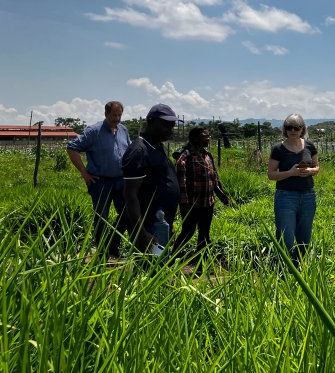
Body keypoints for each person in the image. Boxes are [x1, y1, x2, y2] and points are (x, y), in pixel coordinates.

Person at [67, 100, 131, 258]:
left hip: (120, 180)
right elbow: (72, 148)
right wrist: (84, 173)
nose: (117, 118)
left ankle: (113, 245)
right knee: (102, 216)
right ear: (106, 114)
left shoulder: (123, 130)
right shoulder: (94, 131)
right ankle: (102, 253)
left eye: (119, 115)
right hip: (100, 181)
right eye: (114, 115)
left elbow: (129, 151)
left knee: (127, 213)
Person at [121, 104, 182, 254]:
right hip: (148, 226)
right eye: (165, 125)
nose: (170, 130)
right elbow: (130, 195)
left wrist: (169, 223)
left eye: (172, 126)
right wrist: (141, 234)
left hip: (161, 222)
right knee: (149, 270)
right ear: (150, 121)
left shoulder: (158, 147)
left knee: (161, 266)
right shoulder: (139, 151)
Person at [171, 127, 229, 263]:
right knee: (188, 232)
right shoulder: (185, 155)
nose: (208, 138)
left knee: (204, 233)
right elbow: (181, 180)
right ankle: (171, 259)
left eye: (208, 136)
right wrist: (184, 203)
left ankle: (201, 262)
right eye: (204, 136)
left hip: (207, 202)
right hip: (192, 204)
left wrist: (222, 196)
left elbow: (214, 178)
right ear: (195, 138)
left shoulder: (208, 155)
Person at [267, 114, 319, 264]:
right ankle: (284, 269)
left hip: (308, 196)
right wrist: (291, 173)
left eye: (297, 127)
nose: (293, 130)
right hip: (286, 196)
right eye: (289, 127)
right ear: (285, 129)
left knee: (305, 236)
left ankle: (300, 267)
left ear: (302, 129)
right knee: (286, 236)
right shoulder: (278, 148)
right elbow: (271, 174)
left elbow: (316, 167)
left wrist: (310, 171)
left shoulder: (310, 146)